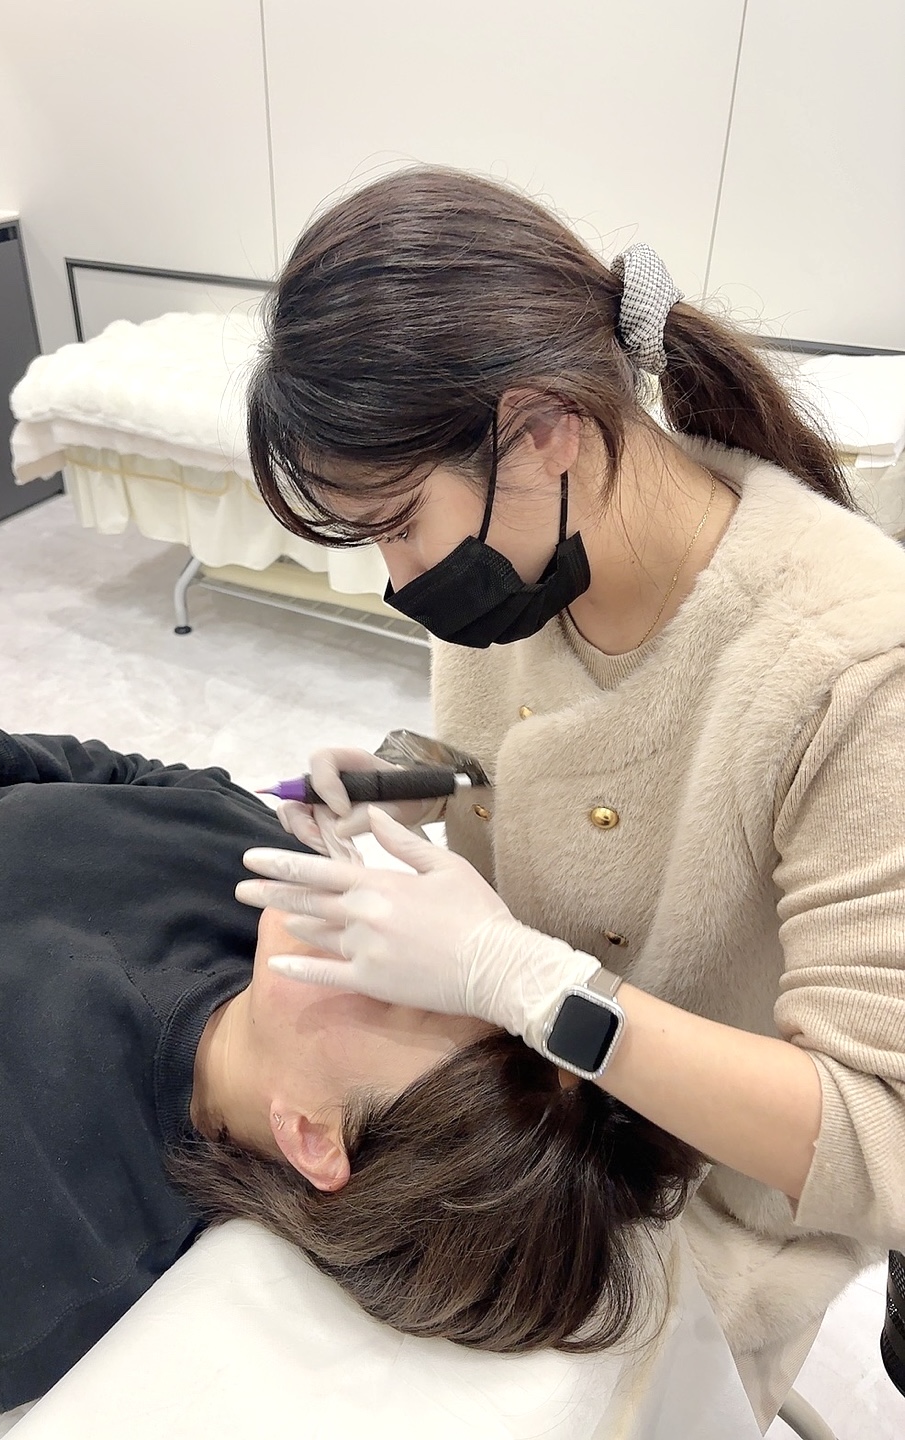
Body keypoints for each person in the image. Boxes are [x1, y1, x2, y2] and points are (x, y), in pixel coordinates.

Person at [236, 166, 905, 1430]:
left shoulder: (853, 666)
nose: (398, 579)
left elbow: (881, 1150)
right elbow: (505, 760)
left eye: (397, 524)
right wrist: (399, 780)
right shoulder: (534, 560)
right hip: (529, 1105)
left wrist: (524, 982)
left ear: (544, 431)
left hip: (713, 1187)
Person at [0, 709, 697, 1422]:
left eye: (417, 994)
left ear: (314, 1137)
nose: (394, 924)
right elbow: (112, 770)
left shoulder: (10, 1250)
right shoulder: (263, 871)